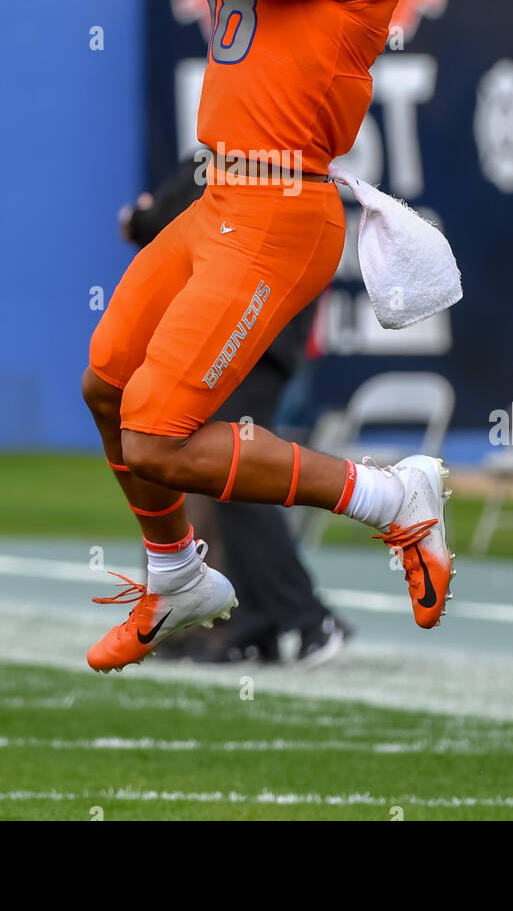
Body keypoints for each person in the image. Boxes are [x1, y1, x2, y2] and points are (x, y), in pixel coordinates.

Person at [81, 0, 454, 673]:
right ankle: (177, 575)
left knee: (161, 438)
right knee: (107, 385)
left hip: (282, 210)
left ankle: (390, 496)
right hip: (218, 197)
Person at [120, 157, 352, 666]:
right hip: (270, 337)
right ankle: (253, 628)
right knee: (224, 479)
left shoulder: (228, 155)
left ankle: (308, 617)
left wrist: (137, 220)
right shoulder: (291, 157)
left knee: (230, 479)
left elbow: (160, 221)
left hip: (245, 339)